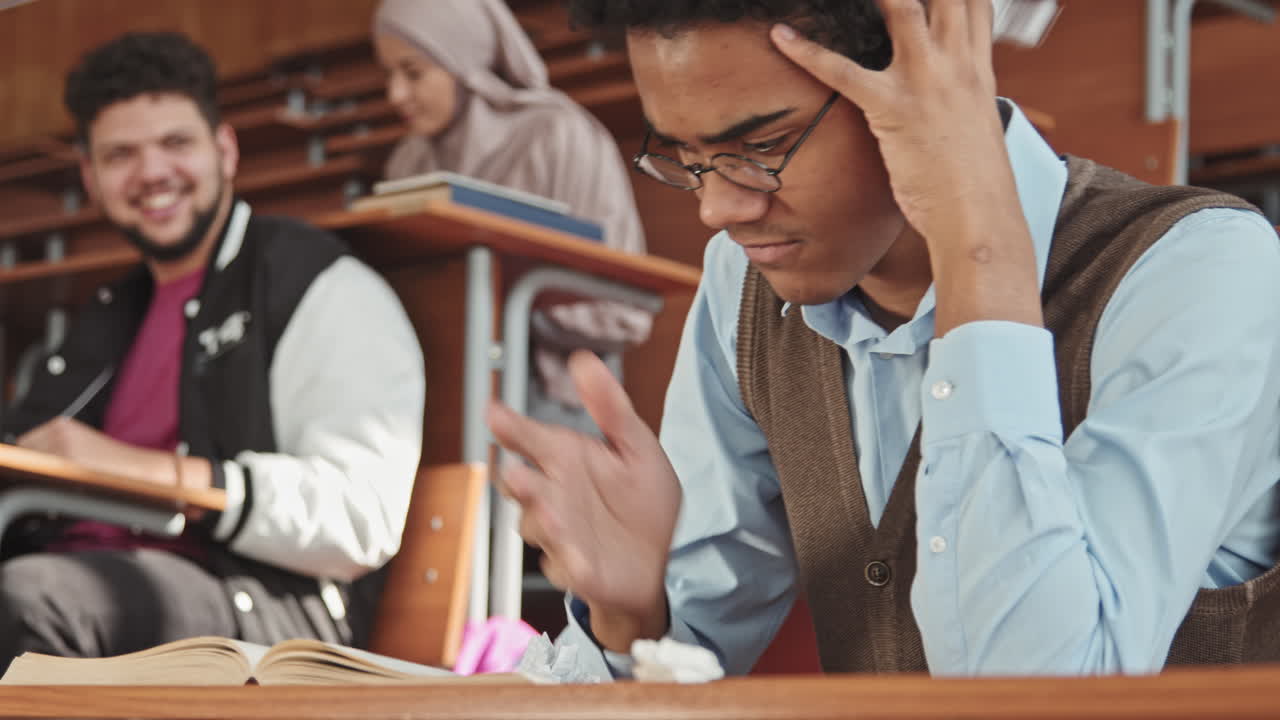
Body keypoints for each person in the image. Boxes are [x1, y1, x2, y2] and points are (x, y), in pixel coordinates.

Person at [486, 0, 1280, 677]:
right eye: (688, 159)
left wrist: (978, 240)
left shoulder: (1198, 270)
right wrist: (632, 616)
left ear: (924, 85)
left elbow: (1034, 689)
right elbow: (684, 654)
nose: (718, 209)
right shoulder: (743, 282)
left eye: (762, 150)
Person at [0, 32, 425, 666]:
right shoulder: (111, 314)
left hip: (267, 600)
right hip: (77, 573)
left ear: (224, 149)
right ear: (91, 177)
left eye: (175, 143)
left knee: (30, 600)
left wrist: (145, 472)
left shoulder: (317, 284)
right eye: (120, 155)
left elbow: (362, 515)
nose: (151, 173)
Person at [372, 0, 651, 432]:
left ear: (463, 62)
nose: (396, 95)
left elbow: (625, 307)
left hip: (553, 402)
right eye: (388, 75)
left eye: (413, 72)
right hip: (439, 394)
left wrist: (500, 305)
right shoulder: (408, 161)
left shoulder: (558, 134)